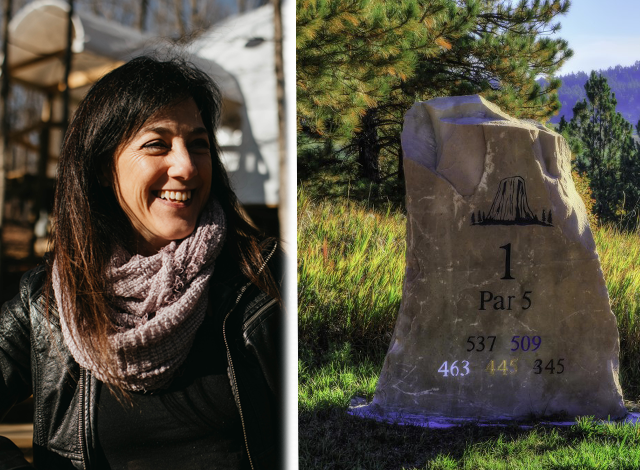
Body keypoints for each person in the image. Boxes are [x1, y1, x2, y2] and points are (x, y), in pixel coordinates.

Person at [0, 56, 283, 469]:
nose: (186, 166)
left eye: (199, 144)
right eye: (157, 144)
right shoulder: (47, 303)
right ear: (102, 165)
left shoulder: (262, 280)